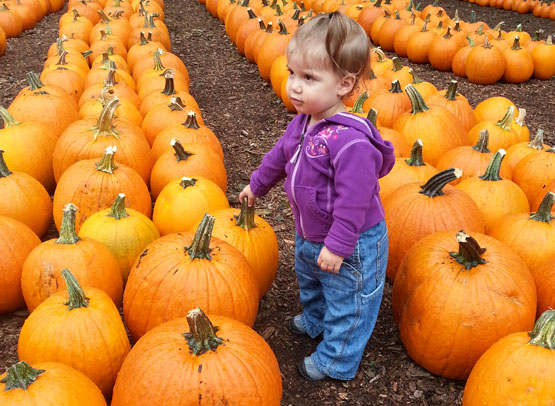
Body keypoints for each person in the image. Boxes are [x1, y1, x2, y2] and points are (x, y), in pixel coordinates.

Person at [239, 11, 395, 381]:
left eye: (309, 78)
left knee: (348, 302)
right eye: (293, 73)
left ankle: (336, 359)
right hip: (312, 233)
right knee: (311, 282)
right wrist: (257, 184)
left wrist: (339, 246)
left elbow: (354, 202)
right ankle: (315, 319)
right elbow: (279, 157)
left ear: (343, 84)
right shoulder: (305, 121)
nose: (294, 85)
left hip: (351, 243)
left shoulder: (351, 141)